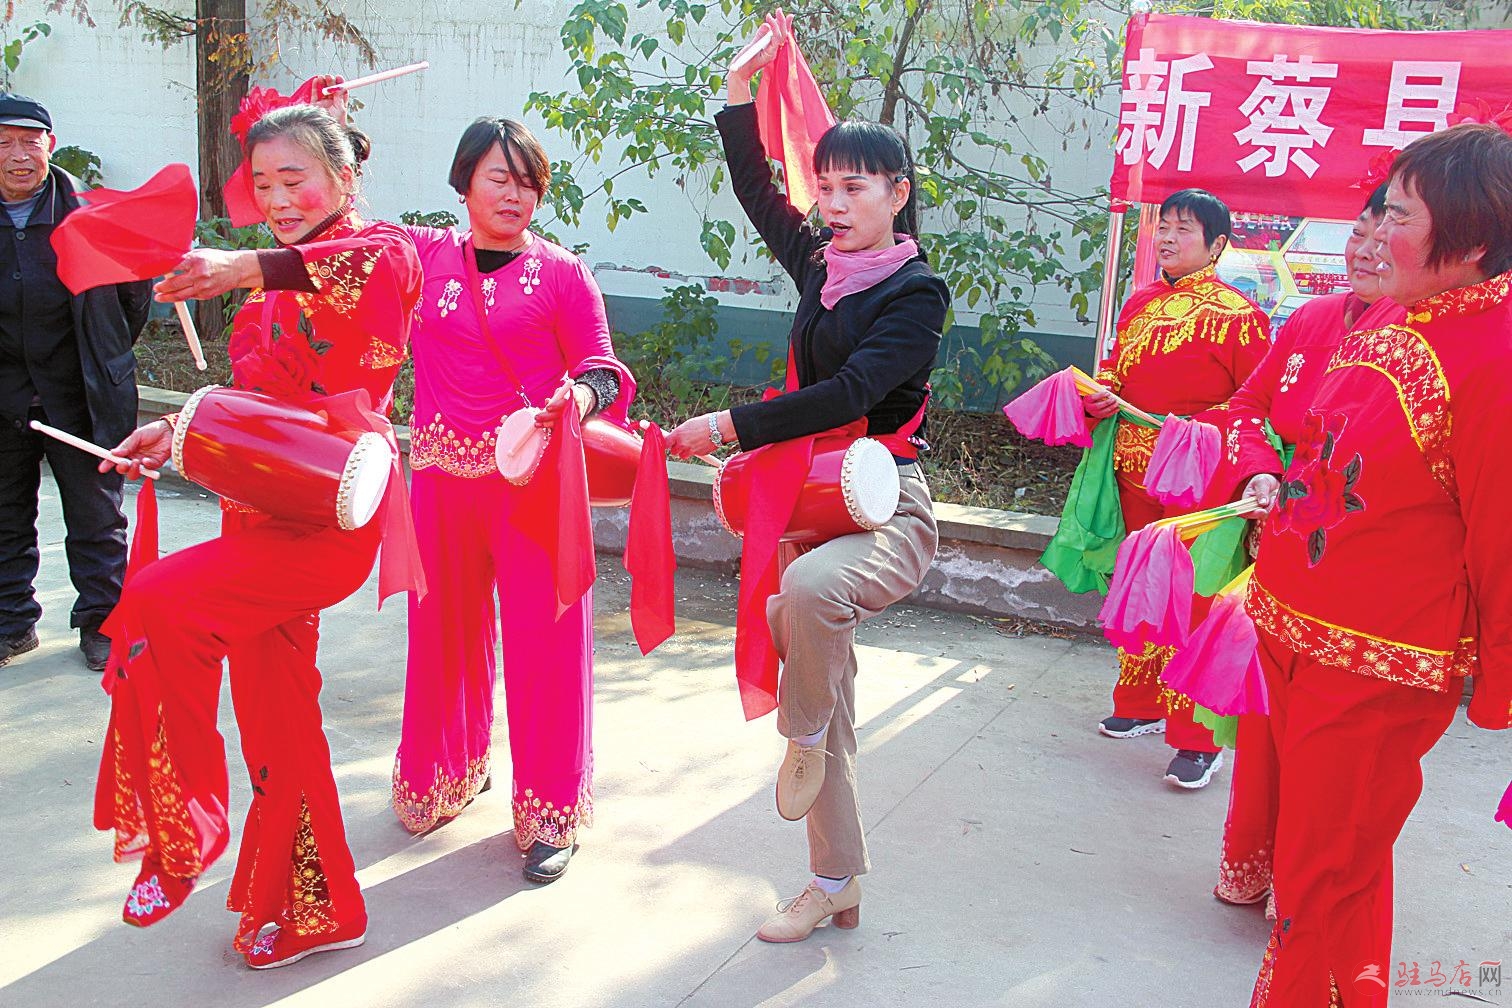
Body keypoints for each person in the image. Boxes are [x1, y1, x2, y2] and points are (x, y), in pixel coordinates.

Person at [93, 96, 423, 969]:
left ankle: (186, 830)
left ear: (343, 176)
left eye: (294, 179)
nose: (277, 199)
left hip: (325, 516)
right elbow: (253, 407)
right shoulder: (266, 297)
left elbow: (348, 267)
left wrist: (240, 265)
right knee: (277, 717)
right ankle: (313, 906)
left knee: (160, 603)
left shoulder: (380, 253)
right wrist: (171, 433)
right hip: (258, 506)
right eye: (263, 183)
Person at [667, 12, 946, 943]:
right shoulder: (821, 266)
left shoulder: (916, 292)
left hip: (887, 500)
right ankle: (835, 881)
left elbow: (854, 392)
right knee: (826, 680)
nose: (833, 201)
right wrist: (738, 91)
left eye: (853, 186)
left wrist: (728, 426)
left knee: (809, 594)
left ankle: (802, 734)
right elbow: (756, 188)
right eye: (824, 185)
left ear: (898, 192)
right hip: (812, 499)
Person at [1243, 123, 1512, 1005]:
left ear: (1472, 241)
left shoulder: (1498, 356)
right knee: (1334, 863)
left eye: (1397, 216)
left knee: (1319, 874)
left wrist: (1501, 682)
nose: (1372, 233)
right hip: (1296, 632)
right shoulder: (1401, 315)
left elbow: (1502, 534)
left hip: (1376, 667)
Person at [390, 113, 635, 884]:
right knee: (440, 640)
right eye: (498, 177)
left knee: (547, 648)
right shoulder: (422, 258)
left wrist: (579, 400)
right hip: (439, 483)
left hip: (533, 488)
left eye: (528, 182)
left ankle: (550, 813)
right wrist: (332, 144)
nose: (513, 194)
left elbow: (601, 369)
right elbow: (340, 244)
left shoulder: (563, 274)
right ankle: (446, 775)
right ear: (464, 182)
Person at [1210, 186, 1400, 916]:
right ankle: (1254, 863)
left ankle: (1307, 894)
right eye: (1359, 232)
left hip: (1362, 579)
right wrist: (1260, 469)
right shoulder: (1312, 319)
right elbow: (1249, 406)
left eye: (1386, 234)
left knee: (1332, 750)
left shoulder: (1415, 336)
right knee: (1267, 725)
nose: (1367, 250)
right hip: (1283, 554)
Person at [1081, 188, 1270, 788]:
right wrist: (1102, 392)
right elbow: (1117, 368)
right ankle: (1140, 703)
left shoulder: (1240, 316)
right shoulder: (1140, 302)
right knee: (1142, 587)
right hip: (1132, 468)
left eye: (1183, 229)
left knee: (1193, 600)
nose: (1167, 237)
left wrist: (1198, 429)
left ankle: (1198, 737)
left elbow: (1255, 406)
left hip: (1200, 480)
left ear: (1217, 245)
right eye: (1163, 226)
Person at [0, 92, 149, 671]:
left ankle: (102, 624)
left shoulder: (92, 215)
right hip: (6, 393)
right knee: (6, 515)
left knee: (97, 516)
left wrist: (103, 354)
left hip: (81, 390)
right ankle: (12, 623)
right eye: (4, 144)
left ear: (50, 146)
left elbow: (133, 297)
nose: (18, 156)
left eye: (29, 143)